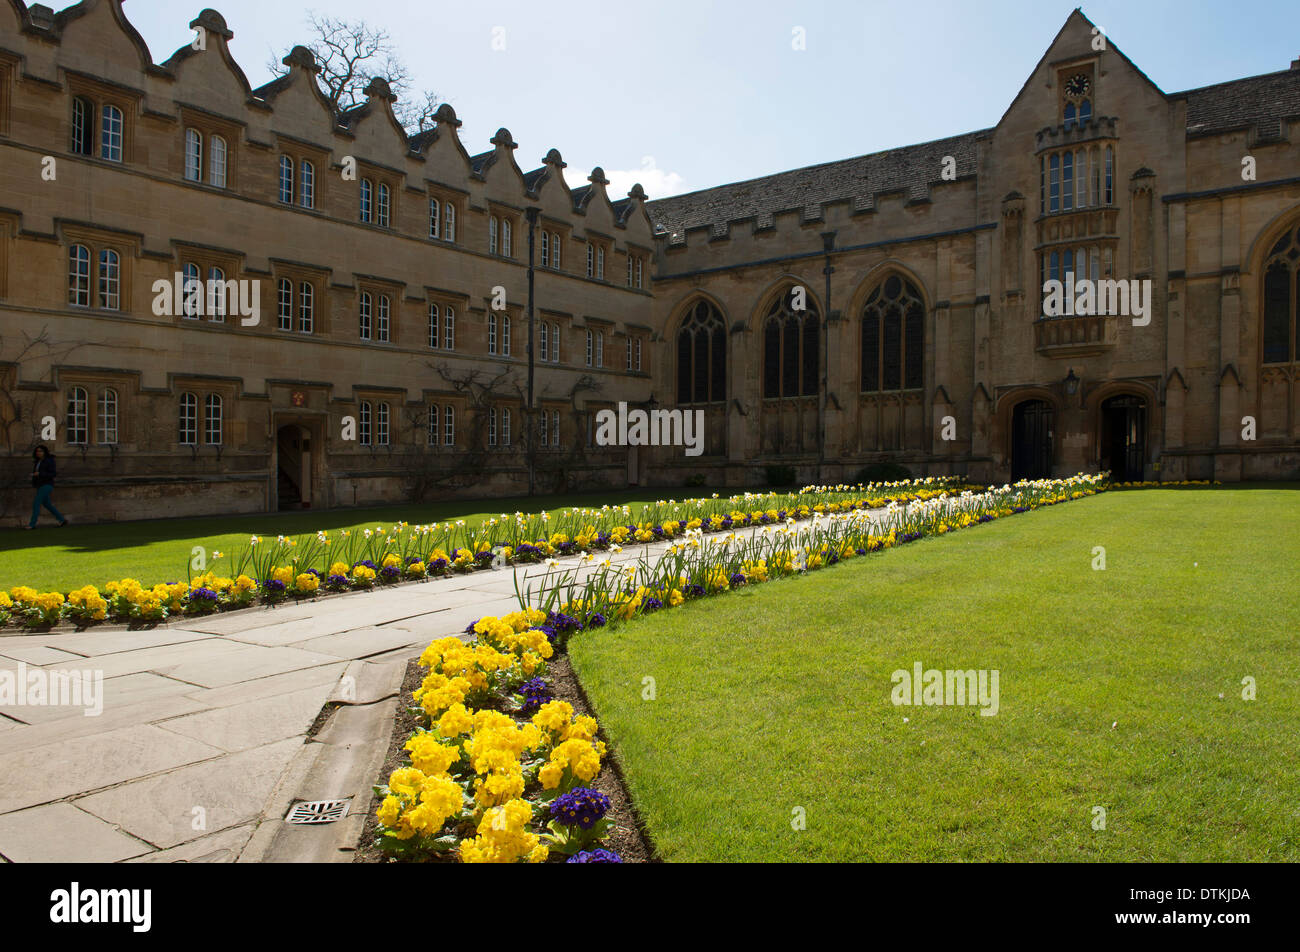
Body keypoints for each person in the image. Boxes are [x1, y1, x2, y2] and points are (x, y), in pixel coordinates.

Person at [27, 444, 68, 529]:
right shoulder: (38, 461)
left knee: (36, 503)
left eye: (41, 451)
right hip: (40, 485)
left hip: (47, 485)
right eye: (37, 451)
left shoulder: (49, 460)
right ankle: (62, 520)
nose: (39, 453)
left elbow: (53, 474)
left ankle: (32, 524)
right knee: (47, 504)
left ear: (45, 452)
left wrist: (40, 474)